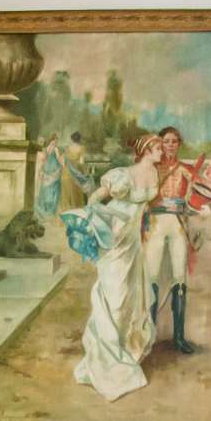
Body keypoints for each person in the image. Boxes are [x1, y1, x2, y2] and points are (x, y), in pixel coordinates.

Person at [70, 137, 162, 402]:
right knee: (115, 295)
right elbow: (94, 199)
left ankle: (122, 348)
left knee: (131, 298)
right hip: (116, 237)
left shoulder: (154, 172)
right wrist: (95, 222)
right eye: (157, 149)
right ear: (146, 150)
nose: (161, 152)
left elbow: (147, 207)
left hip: (133, 241)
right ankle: (105, 357)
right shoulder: (124, 175)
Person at [140, 126, 211, 354]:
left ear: (179, 144)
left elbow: (199, 197)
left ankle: (179, 337)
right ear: (159, 144)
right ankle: (149, 336)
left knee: (179, 280)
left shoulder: (186, 170)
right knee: (151, 278)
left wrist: (196, 208)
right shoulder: (151, 169)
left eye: (174, 141)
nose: (170, 145)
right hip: (155, 225)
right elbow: (143, 199)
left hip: (178, 227)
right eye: (166, 141)